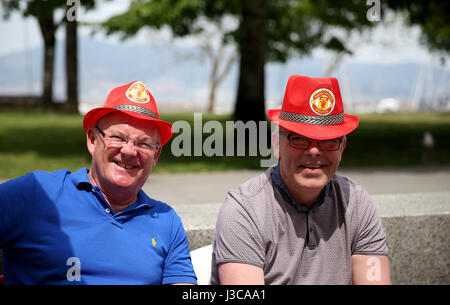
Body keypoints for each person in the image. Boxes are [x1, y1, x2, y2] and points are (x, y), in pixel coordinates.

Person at [0, 81, 197, 285]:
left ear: (156, 156)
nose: (129, 151)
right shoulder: (37, 194)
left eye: (144, 144)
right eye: (118, 138)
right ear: (93, 140)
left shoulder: (166, 222)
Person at [211, 75, 391, 285]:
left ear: (342, 148)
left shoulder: (356, 202)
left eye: (328, 141)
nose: (314, 151)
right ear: (277, 144)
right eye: (299, 139)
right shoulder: (245, 209)